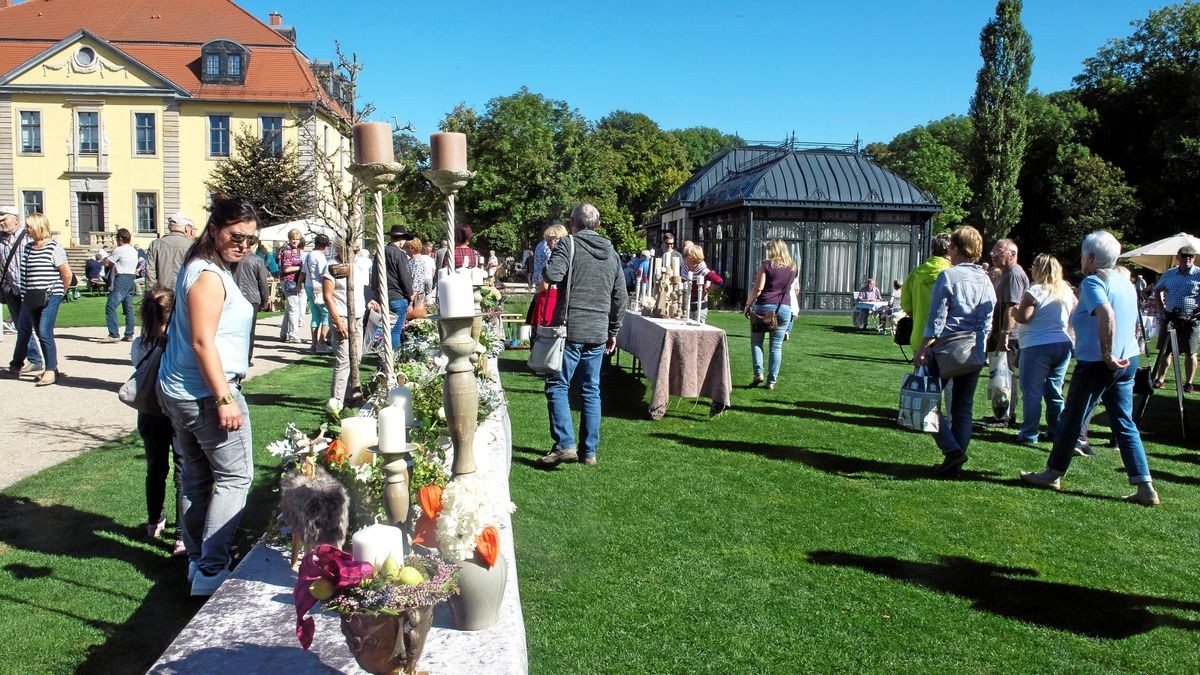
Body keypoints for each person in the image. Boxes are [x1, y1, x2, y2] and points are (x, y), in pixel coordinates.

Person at [157, 196, 258, 596]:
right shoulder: (208, 276)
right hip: (203, 393)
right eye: (236, 236)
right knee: (235, 478)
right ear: (214, 229)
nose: (244, 246)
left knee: (198, 478)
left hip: (185, 391)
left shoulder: (205, 268)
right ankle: (212, 567)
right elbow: (202, 342)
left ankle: (200, 563)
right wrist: (223, 398)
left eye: (251, 240)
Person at [1020, 231, 1160, 505]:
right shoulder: (1126, 283)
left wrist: (1107, 353)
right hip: (1127, 360)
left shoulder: (1094, 282)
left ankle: (1052, 474)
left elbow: (1106, 313)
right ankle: (1145, 486)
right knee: (1124, 422)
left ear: (1091, 257)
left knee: (1071, 419)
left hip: (1099, 363)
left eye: (1084, 254)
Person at [537, 203, 627, 467]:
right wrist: (613, 331)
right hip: (598, 331)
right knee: (590, 389)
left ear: (573, 223)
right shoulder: (611, 253)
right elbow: (620, 297)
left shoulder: (568, 244)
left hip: (570, 328)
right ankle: (589, 452)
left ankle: (565, 445)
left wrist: (551, 255)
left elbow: (552, 275)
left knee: (557, 384)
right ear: (597, 225)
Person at [914, 225, 995, 477]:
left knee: (926, 403)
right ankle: (955, 463)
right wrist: (980, 349)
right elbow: (987, 320)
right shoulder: (985, 280)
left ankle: (951, 451)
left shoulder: (948, 276)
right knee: (962, 409)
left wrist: (924, 346)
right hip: (972, 350)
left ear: (956, 248)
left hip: (947, 348)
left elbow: (938, 317)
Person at [133, 287, 186, 557]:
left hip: (150, 412)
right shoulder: (180, 340)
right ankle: (182, 535)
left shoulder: (142, 341)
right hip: (176, 410)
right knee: (183, 471)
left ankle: (155, 521)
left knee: (155, 468)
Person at [1012, 254, 1075, 445]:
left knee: (1032, 391)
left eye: (1033, 265)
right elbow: (1076, 309)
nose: (1031, 268)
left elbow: (1024, 317)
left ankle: (1029, 433)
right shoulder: (1066, 290)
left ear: (1040, 268)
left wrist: (1014, 311)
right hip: (1062, 344)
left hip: (1036, 345)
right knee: (1054, 390)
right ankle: (1056, 430)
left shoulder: (1036, 290)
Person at [7, 213, 71, 385]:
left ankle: (50, 369)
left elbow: (67, 273)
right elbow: (24, 275)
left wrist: (60, 291)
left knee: (44, 331)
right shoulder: (28, 248)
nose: (27, 230)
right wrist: (24, 296)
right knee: (28, 329)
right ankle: (48, 367)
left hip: (51, 295)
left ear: (39, 226)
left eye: (29, 226)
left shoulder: (54, 248)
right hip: (30, 296)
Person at [985, 238, 1029, 426]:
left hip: (1010, 336)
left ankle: (1006, 417)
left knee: (1006, 375)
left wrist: (1005, 334)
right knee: (1000, 374)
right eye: (993, 251)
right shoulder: (1005, 273)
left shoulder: (1014, 274)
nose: (994, 255)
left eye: (999, 251)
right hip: (1003, 333)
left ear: (1012, 254)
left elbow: (1012, 307)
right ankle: (1000, 413)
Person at [744, 239, 798, 390]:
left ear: (772, 250)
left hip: (764, 305)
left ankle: (758, 373)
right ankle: (772, 381)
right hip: (784, 307)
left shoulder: (766, 265)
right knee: (776, 346)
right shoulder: (793, 267)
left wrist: (748, 304)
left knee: (756, 341)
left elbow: (758, 288)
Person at [324, 245, 371, 411]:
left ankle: (352, 396)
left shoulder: (357, 265)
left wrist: (369, 302)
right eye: (351, 250)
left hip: (357, 316)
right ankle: (336, 402)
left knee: (357, 357)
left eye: (356, 250)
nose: (355, 253)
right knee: (344, 360)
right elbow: (327, 295)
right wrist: (337, 320)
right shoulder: (332, 267)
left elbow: (359, 289)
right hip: (342, 316)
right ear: (340, 248)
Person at [1, 205, 45, 375]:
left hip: (29, 289)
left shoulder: (28, 237)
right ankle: (31, 359)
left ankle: (37, 361)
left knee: (35, 327)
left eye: (5, 219)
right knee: (22, 326)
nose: (2, 223)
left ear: (16, 219)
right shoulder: (1, 240)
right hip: (11, 289)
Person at [1151, 245, 1199, 392]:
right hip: (1170, 317)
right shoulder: (1169, 274)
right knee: (1165, 350)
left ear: (1194, 258)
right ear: (1177, 257)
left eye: (1190, 256)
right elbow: (1157, 289)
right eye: (1184, 255)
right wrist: (1160, 309)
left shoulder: (1199, 274)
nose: (1187, 258)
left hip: (1191, 318)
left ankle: (1189, 383)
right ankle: (1160, 379)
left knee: (1190, 352)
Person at [901, 234, 953, 358]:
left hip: (919, 334)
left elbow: (905, 304)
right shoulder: (952, 273)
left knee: (920, 375)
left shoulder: (916, 272)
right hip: (945, 336)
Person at [368, 225, 415, 350]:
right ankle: (393, 357)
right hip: (397, 297)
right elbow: (405, 277)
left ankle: (383, 355)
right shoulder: (399, 254)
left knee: (384, 329)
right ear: (402, 239)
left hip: (383, 296)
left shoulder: (380, 253)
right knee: (394, 331)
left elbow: (374, 276)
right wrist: (411, 294)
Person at [232, 247, 270, 365]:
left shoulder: (234, 259)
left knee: (234, 329)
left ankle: (235, 355)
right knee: (249, 330)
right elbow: (263, 281)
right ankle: (247, 357)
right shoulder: (257, 260)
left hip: (235, 296)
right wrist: (265, 299)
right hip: (251, 298)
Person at [100, 228, 138, 343]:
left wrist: (102, 260)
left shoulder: (119, 250)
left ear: (120, 238)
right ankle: (129, 334)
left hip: (121, 278)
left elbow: (107, 263)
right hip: (131, 278)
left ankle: (113, 334)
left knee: (110, 306)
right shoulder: (133, 250)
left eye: (117, 238)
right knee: (128, 308)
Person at [530, 223, 568, 336]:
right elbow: (547, 278)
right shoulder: (552, 250)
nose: (547, 243)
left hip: (544, 292)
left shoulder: (541, 246)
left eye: (549, 240)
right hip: (549, 294)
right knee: (548, 333)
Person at [147, 212, 194, 290]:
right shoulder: (192, 245)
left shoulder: (155, 244)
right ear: (186, 228)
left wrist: (152, 292)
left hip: (162, 293)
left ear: (169, 227)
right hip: (184, 292)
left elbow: (150, 272)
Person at [303, 234, 332, 353]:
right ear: (324, 245)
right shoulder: (320, 257)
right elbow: (322, 273)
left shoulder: (309, 255)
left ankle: (313, 344)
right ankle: (322, 342)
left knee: (315, 315)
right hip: (319, 287)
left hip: (309, 286)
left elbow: (303, 271)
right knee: (327, 315)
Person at [682, 243, 724, 323]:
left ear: (692, 258)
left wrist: (706, 291)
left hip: (699, 307)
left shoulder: (702, 270)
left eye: (685, 255)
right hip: (687, 305)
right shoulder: (686, 268)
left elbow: (719, 281)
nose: (684, 257)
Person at [278, 229, 306, 343]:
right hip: (289, 281)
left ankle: (283, 333)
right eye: (293, 239)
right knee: (294, 308)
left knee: (290, 308)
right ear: (290, 239)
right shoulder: (287, 251)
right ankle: (293, 334)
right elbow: (286, 268)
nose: (295, 241)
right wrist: (300, 268)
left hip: (296, 281)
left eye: (297, 239)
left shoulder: (298, 251)